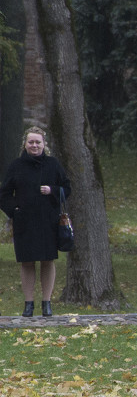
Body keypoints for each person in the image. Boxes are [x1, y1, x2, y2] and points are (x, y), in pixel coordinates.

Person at [0, 126, 72, 318]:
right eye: (31, 142)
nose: (34, 145)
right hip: (24, 222)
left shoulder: (53, 164)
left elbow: (67, 187)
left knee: (48, 261)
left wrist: (53, 190)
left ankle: (47, 303)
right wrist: (15, 210)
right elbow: (4, 194)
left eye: (38, 142)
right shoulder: (16, 166)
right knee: (27, 262)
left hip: (48, 221)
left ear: (44, 144)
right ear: (25, 144)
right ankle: (28, 303)